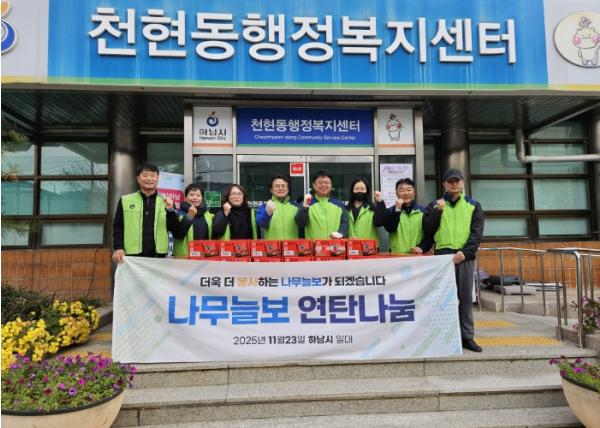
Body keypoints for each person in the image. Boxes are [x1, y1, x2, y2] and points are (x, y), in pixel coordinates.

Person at [422, 169, 484, 353]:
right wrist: (438, 212)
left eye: (457, 181)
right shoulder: (435, 205)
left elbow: (476, 233)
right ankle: (441, 336)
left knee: (465, 298)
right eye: (450, 181)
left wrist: (465, 252)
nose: (454, 184)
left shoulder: (473, 205)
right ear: (444, 184)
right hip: (442, 257)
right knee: (441, 299)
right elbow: (428, 231)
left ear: (462, 183)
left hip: (464, 257)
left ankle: (467, 336)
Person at [112, 163, 178, 263]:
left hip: (158, 256)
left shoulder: (167, 202)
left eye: (153, 175)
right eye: (145, 175)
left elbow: (175, 230)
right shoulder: (125, 200)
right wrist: (119, 247)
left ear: (158, 178)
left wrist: (170, 210)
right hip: (132, 256)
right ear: (138, 179)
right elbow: (118, 226)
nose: (149, 178)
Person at [295, 170, 348, 239]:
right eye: (320, 183)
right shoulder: (307, 202)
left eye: (327, 183)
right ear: (314, 185)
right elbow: (300, 223)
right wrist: (304, 207)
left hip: (335, 244)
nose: (323, 185)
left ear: (331, 185)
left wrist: (341, 233)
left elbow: (345, 222)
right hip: (314, 245)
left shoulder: (338, 204)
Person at [384, 178, 429, 254]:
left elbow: (429, 234)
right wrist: (397, 210)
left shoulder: (423, 211)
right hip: (397, 255)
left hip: (417, 255)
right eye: (402, 190)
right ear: (396, 193)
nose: (405, 193)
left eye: (409, 190)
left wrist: (422, 247)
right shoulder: (390, 211)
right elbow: (390, 229)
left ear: (414, 192)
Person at [170, 183, 214, 257]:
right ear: (185, 197)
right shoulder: (179, 214)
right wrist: (189, 216)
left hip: (205, 256)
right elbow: (178, 235)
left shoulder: (208, 214)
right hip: (184, 257)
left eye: (198, 195)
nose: (195, 198)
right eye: (191, 195)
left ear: (202, 198)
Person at [256, 175, 301, 240]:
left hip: (292, 245)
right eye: (277, 186)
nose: (280, 188)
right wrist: (267, 213)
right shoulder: (264, 207)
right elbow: (261, 224)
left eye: (283, 186)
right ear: (271, 190)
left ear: (288, 189)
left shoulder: (296, 207)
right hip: (272, 245)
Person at [346, 177, 386, 243]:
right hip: (350, 246)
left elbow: (379, 222)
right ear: (352, 191)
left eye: (362, 189)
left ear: (367, 191)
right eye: (357, 189)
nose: (359, 191)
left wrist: (380, 201)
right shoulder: (346, 210)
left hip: (370, 247)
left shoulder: (372, 209)